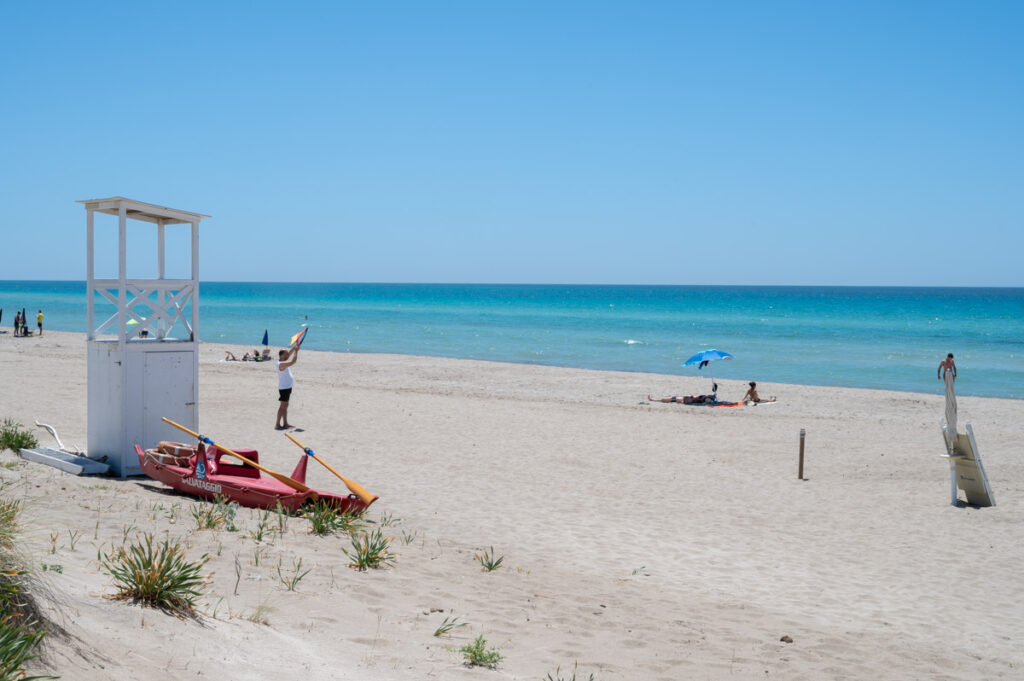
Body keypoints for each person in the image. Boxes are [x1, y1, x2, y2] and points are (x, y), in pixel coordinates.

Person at [275, 345, 299, 430]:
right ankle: (277, 424)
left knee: (286, 406)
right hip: (284, 388)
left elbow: (289, 354)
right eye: (286, 354)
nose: (287, 355)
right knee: (282, 406)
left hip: (287, 387)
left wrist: (295, 347)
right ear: (282, 355)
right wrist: (296, 352)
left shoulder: (282, 361)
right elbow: (293, 362)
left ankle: (285, 423)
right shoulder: (281, 364)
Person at [648, 393, 715, 404]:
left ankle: (653, 400)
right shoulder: (703, 398)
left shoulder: (701, 399)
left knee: (671, 399)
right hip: (685, 399)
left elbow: (693, 399)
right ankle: (653, 399)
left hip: (685, 400)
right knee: (672, 398)